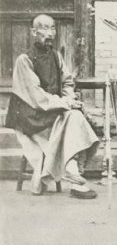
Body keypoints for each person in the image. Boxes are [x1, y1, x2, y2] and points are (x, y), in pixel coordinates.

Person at [5, 14, 99, 199]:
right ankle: (74, 173)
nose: (50, 33)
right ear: (34, 32)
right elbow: (36, 97)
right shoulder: (24, 60)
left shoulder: (56, 56)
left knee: (74, 116)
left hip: (52, 111)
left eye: (53, 28)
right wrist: (66, 104)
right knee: (73, 117)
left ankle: (73, 173)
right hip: (31, 116)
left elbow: (67, 82)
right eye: (44, 28)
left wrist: (70, 99)